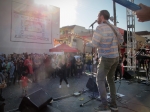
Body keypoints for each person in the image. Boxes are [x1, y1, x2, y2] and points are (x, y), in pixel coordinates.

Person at [92, 10, 124, 112]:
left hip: (106, 58)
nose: (97, 18)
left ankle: (104, 106)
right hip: (115, 58)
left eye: (98, 16)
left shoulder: (100, 27)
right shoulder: (114, 27)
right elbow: (121, 40)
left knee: (100, 79)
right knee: (110, 80)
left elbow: (94, 44)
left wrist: (87, 44)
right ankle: (114, 105)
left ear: (101, 16)